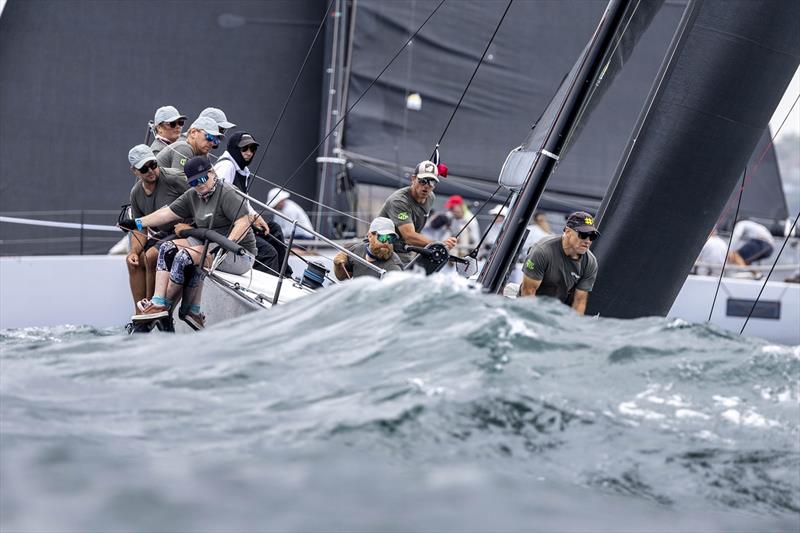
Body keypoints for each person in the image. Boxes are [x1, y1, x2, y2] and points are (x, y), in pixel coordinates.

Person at [119, 157, 257, 328]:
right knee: (167, 248)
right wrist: (136, 223)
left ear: (212, 173)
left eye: (202, 179)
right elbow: (167, 213)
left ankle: (173, 309)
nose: (199, 185)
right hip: (208, 244)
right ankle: (158, 302)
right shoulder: (193, 195)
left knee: (184, 257)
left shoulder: (227, 192)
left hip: (238, 253)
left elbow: (243, 222)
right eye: (193, 182)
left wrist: (225, 245)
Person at [125, 144, 188, 312]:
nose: (151, 170)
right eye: (144, 168)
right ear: (135, 171)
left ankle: (152, 306)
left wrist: (191, 224)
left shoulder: (174, 178)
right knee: (133, 260)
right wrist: (133, 252)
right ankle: (140, 313)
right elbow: (140, 228)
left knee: (151, 256)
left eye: (153, 164)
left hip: (186, 229)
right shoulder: (136, 193)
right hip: (166, 232)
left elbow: (202, 193)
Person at [216, 132, 288, 274]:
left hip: (240, 221)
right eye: (244, 149)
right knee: (268, 253)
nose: (249, 153)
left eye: (252, 149)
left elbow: (243, 199)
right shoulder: (226, 167)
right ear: (235, 149)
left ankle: (284, 275)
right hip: (228, 226)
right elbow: (218, 199)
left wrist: (254, 216)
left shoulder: (242, 170)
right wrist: (245, 218)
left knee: (274, 230)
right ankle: (268, 288)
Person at [377, 160, 456, 265]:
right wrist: (439, 244)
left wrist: (440, 245)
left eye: (432, 182)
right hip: (382, 248)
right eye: (423, 181)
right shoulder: (399, 201)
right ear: (413, 179)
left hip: (405, 250)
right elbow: (409, 236)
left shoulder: (430, 198)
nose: (427, 186)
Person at [520, 211, 599, 315]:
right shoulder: (542, 251)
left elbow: (579, 301)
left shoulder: (590, 262)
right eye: (583, 235)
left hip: (558, 311)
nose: (588, 241)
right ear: (568, 232)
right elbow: (528, 292)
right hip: (530, 307)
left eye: (592, 236)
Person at [332, 217, 403, 280]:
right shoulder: (357, 250)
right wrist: (338, 265)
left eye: (391, 238)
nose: (387, 242)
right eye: (383, 237)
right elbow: (342, 277)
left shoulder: (393, 266)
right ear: (370, 236)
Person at [156, 116, 222, 170]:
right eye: (209, 137)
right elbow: (179, 182)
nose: (212, 143)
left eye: (215, 140)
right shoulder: (184, 148)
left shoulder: (201, 153)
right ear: (193, 133)